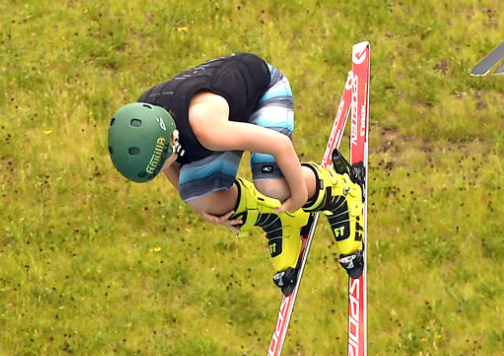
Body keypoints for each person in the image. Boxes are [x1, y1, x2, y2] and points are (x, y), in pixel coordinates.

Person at [107, 52, 363, 294]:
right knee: (200, 197)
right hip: (217, 119)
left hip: (262, 92)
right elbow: (171, 168)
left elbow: (280, 145)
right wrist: (201, 207)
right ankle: (280, 219)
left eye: (165, 158)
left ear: (170, 137)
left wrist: (299, 196)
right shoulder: (149, 124)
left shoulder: (207, 129)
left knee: (273, 185)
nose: (167, 166)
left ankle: (341, 188)